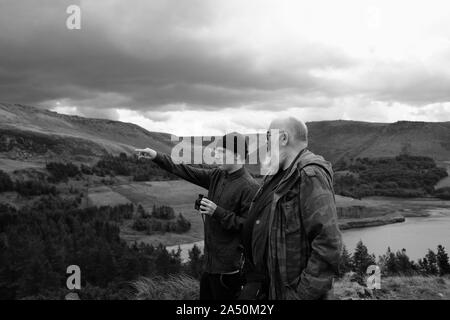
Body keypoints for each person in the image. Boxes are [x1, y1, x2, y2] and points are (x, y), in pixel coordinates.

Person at [136, 132, 259, 300]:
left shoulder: (250, 187)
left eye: (221, 151)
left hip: (229, 272)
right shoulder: (218, 175)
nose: (216, 155)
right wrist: (156, 156)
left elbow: (248, 228)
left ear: (237, 155)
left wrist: (218, 212)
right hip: (209, 267)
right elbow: (185, 170)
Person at [240, 117, 342, 300]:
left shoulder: (309, 174)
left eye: (269, 136)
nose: (266, 143)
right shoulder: (279, 174)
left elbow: (328, 243)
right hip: (270, 288)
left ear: (284, 138)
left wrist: (301, 295)